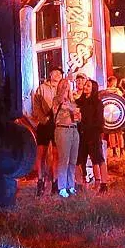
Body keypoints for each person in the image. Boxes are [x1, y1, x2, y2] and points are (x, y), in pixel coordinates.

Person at [28, 66, 64, 197]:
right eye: (56, 73)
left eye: (60, 73)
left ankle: (55, 181)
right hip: (44, 125)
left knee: (56, 154)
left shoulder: (63, 89)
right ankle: (40, 180)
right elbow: (36, 107)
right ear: (50, 74)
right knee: (41, 154)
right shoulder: (41, 88)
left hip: (58, 124)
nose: (58, 75)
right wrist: (44, 120)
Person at [73, 74, 112, 192]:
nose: (85, 87)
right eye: (85, 85)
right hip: (81, 134)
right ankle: (81, 183)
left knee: (98, 159)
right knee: (80, 160)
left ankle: (102, 183)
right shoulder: (79, 102)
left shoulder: (97, 103)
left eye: (88, 86)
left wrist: (94, 129)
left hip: (93, 134)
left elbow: (100, 121)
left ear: (93, 88)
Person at [50, 73, 82, 196]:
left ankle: (71, 185)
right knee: (64, 159)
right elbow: (59, 107)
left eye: (67, 85)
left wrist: (77, 115)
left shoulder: (72, 100)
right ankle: (62, 187)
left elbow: (77, 116)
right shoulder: (56, 100)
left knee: (73, 159)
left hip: (74, 129)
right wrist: (71, 106)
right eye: (63, 85)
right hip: (62, 129)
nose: (65, 87)